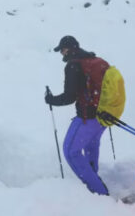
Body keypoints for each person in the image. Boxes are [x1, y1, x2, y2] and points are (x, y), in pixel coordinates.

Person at [45, 35, 109, 196]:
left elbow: (69, 97)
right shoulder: (93, 60)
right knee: (91, 146)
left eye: (62, 50)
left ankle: (98, 191)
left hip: (87, 117)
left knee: (70, 151)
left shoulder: (74, 66)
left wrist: (51, 100)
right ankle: (94, 179)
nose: (62, 54)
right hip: (103, 116)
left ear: (68, 49)